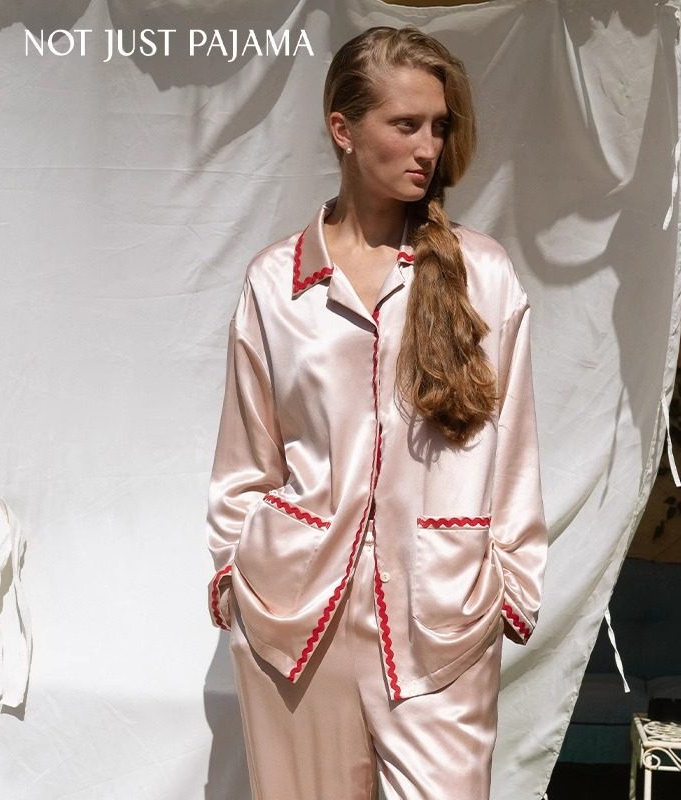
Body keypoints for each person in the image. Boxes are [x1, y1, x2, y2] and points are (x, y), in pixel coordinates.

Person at [205, 25, 548, 800]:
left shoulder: (483, 274)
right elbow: (245, 461)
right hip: (296, 614)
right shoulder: (276, 284)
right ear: (344, 130)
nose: (429, 147)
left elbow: (516, 451)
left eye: (440, 126)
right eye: (406, 124)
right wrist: (234, 574)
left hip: (439, 617)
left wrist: (511, 586)